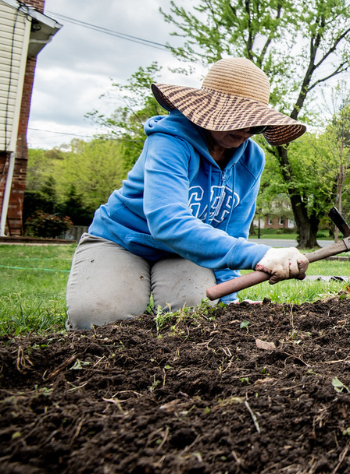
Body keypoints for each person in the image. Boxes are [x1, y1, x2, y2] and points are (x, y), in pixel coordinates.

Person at [65, 57, 311, 330]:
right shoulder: (169, 140)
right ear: (208, 110)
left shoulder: (252, 160)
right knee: (97, 318)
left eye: (255, 124)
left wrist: (228, 299)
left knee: (192, 315)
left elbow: (231, 235)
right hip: (122, 241)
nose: (245, 130)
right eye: (237, 118)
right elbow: (167, 222)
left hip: (185, 253)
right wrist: (260, 254)